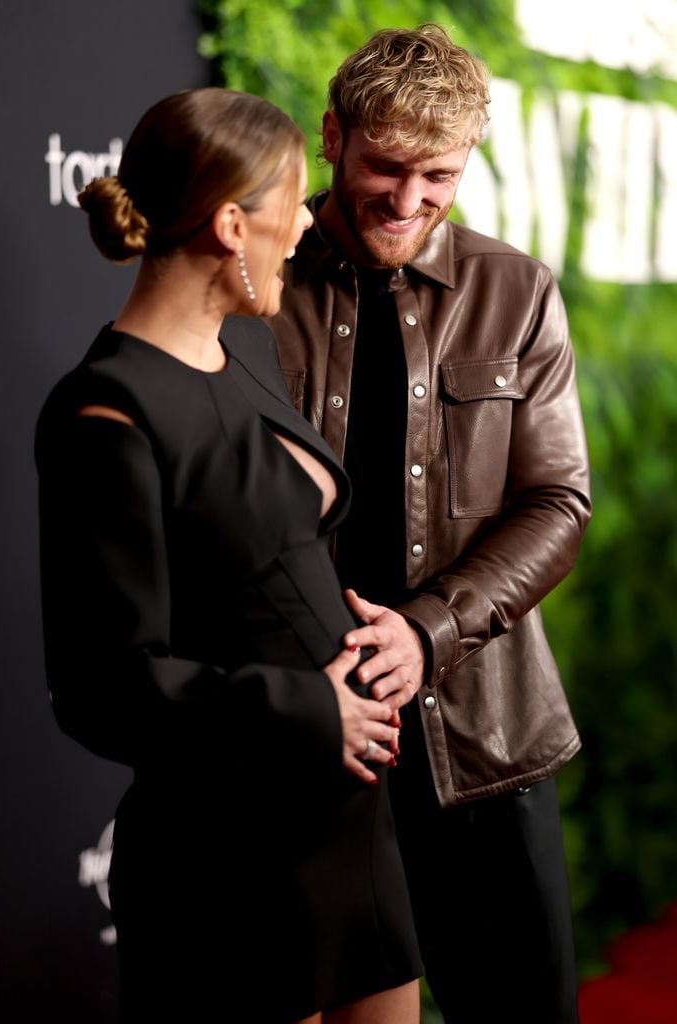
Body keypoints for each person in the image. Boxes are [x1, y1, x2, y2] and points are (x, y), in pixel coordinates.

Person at [35, 88, 423, 1024]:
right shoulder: (105, 412)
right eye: (290, 204)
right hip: (227, 848)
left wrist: (380, 640)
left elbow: (277, 555)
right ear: (228, 223)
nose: (300, 230)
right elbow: (103, 687)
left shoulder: (246, 346)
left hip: (345, 822)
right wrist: (306, 706)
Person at [268, 24, 592, 1024]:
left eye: (437, 177)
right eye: (386, 168)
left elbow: (557, 504)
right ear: (332, 135)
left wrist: (427, 629)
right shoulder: (248, 287)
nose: (408, 203)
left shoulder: (516, 293)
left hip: (479, 742)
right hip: (301, 733)